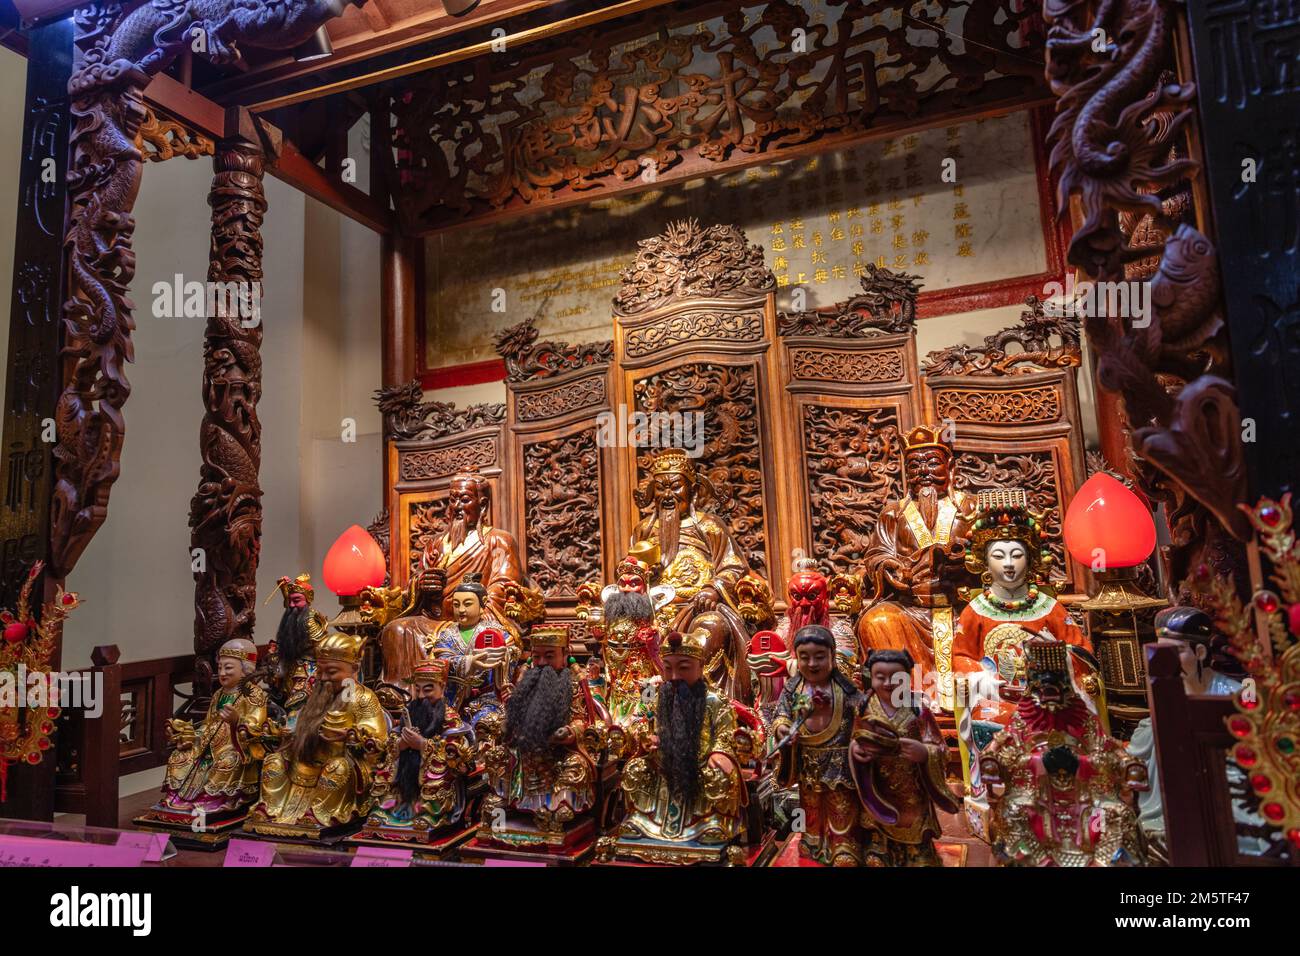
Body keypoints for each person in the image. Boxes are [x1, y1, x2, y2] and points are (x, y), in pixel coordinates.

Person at [601, 628, 749, 865]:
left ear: (701, 667)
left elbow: (726, 733)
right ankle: (643, 820)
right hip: (663, 766)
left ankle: (710, 823)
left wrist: (720, 751)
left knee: (720, 775)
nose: (675, 676)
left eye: (684, 668)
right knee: (634, 770)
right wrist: (643, 737)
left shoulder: (715, 700)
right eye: (668, 668)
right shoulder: (654, 691)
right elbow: (638, 718)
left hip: (699, 768)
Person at [858, 425, 976, 706]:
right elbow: (876, 554)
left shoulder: (971, 508)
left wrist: (963, 561)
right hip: (911, 608)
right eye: (914, 465)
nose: (923, 471)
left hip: (960, 606)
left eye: (933, 463)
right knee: (876, 622)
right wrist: (890, 569)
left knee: (991, 622)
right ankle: (907, 703)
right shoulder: (893, 513)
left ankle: (978, 705)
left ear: (951, 467)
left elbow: (988, 551)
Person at [630, 447, 758, 701]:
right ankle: (644, 706)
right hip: (652, 613)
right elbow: (627, 568)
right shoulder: (644, 530)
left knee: (712, 626)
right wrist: (637, 573)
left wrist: (713, 588)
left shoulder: (708, 526)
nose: (667, 494)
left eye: (675, 486)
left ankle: (705, 701)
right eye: (660, 487)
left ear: (692, 490)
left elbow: (733, 566)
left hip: (697, 609)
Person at [380, 471, 529, 685]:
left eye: (465, 499)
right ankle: (402, 692)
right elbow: (412, 586)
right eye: (453, 499)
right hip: (434, 621)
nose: (457, 506)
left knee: (485, 636)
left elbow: (504, 585)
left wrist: (474, 607)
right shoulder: (436, 544)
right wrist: (421, 585)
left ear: (483, 504)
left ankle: (454, 694)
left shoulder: (498, 540)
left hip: (475, 618)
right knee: (396, 629)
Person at [246, 631, 389, 839]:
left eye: (331, 672)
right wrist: (281, 733)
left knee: (337, 768)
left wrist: (350, 735)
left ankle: (321, 814)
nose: (322, 678)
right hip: (306, 760)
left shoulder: (364, 698)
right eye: (320, 671)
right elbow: (298, 725)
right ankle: (271, 808)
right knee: (274, 761)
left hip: (342, 761)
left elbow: (378, 739)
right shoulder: (317, 695)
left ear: (354, 669)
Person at [478, 625, 603, 840]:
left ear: (565, 655)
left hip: (560, 752)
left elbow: (586, 722)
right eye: (537, 657)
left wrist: (570, 732)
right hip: (524, 751)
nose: (542, 663)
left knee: (575, 766)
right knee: (500, 757)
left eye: (549, 656)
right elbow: (511, 719)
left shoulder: (573, 686)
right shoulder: (525, 683)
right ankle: (506, 803)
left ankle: (555, 808)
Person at [851, 649, 959, 866]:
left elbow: (941, 749)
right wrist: (855, 750)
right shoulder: (863, 708)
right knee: (875, 859)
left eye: (896, 677)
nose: (888, 683)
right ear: (870, 677)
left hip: (912, 792)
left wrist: (925, 753)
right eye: (880, 677)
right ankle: (878, 847)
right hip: (878, 788)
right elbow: (854, 737)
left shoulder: (918, 709)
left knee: (921, 860)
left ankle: (917, 849)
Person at [146, 638, 268, 830]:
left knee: (228, 761)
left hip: (235, 745)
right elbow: (208, 724)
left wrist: (237, 721)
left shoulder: (254, 695)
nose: (222, 673)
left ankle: (214, 799)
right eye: (219, 668)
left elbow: (256, 725)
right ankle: (176, 799)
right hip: (208, 743)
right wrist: (187, 734)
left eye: (228, 668)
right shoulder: (219, 694)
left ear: (245, 669)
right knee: (181, 756)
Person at [771, 625, 865, 865]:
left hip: (840, 762)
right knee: (810, 805)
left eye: (820, 657)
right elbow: (781, 716)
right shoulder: (793, 689)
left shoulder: (845, 689)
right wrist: (783, 728)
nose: (812, 663)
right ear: (796, 659)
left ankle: (843, 845)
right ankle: (812, 840)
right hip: (807, 760)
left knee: (840, 804)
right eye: (804, 657)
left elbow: (864, 712)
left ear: (832, 657)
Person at [359, 658, 476, 843]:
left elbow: (456, 753)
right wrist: (400, 745)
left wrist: (423, 745)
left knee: (436, 785)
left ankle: (429, 815)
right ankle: (386, 813)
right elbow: (392, 742)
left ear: (442, 687)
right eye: (417, 689)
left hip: (432, 779)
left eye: (428, 689)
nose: (421, 696)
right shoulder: (410, 711)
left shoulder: (450, 718)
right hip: (404, 779)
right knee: (385, 786)